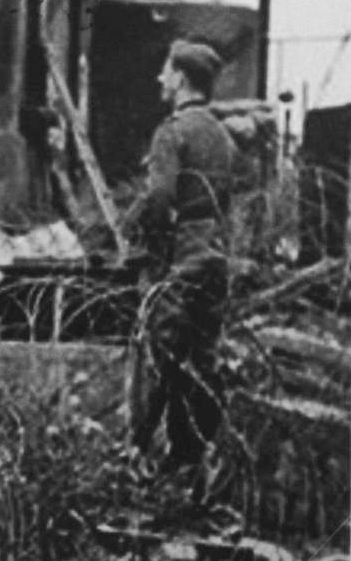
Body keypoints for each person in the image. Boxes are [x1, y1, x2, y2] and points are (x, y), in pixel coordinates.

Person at [126, 40, 237, 491]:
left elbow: (159, 199)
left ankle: (134, 452)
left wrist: (148, 244)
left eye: (165, 71)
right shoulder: (222, 136)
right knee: (201, 358)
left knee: (158, 353)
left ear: (182, 79)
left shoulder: (172, 132)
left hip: (182, 253)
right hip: (215, 253)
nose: (159, 79)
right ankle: (191, 456)